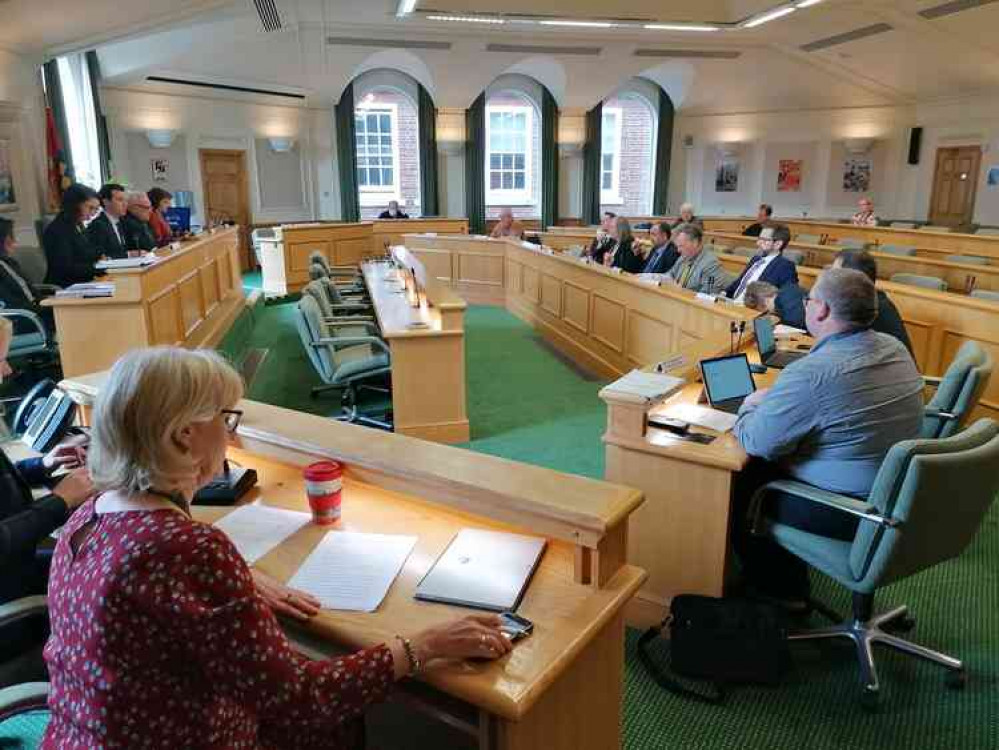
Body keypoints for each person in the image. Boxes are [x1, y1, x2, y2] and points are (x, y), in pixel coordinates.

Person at [42, 347, 512, 748]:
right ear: (184, 435)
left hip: (81, 735)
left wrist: (236, 581)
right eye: (226, 420)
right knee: (338, 721)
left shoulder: (92, 512)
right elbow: (301, 698)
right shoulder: (188, 549)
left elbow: (154, 591)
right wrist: (424, 644)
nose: (233, 435)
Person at [732, 268, 924, 600]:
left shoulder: (812, 374)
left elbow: (757, 441)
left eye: (809, 300)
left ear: (821, 310)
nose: (805, 305)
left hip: (851, 510)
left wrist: (750, 404)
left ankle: (777, 593)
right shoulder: (894, 347)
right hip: (898, 495)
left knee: (743, 478)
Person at [833, 248, 914, 356]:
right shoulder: (870, 298)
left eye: (835, 273)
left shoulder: (866, 306)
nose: (830, 278)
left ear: (852, 280)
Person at [0, 218, 54, 335]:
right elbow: (11, 304)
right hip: (21, 319)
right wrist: (45, 306)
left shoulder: (9, 262)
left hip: (33, 311)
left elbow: (29, 291)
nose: (14, 242)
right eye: (10, 237)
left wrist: (48, 300)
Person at [42, 183, 101, 288]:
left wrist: (101, 258)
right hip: (65, 287)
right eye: (90, 208)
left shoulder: (77, 224)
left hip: (83, 282)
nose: (93, 213)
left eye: (96, 209)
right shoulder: (58, 230)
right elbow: (66, 269)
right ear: (75, 205)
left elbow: (87, 253)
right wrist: (99, 267)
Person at [725, 225, 799, 302]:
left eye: (764, 239)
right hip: (731, 303)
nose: (758, 243)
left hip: (750, 309)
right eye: (759, 238)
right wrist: (724, 293)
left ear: (778, 244)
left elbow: (788, 297)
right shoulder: (755, 259)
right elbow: (740, 282)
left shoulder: (785, 267)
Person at [666, 224, 728, 294]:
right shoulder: (683, 258)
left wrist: (682, 292)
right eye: (677, 246)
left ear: (695, 243)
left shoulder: (711, 264)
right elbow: (670, 274)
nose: (678, 250)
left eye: (681, 246)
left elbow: (707, 295)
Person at [86, 183, 129, 259]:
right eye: (120, 200)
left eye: (126, 200)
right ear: (106, 202)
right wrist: (128, 255)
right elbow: (101, 257)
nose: (125, 204)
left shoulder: (121, 222)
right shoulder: (98, 226)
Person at [743, 280, 807, 330]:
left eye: (761, 311)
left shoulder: (782, 301)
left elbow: (794, 326)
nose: (767, 313)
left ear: (765, 302)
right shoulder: (788, 288)